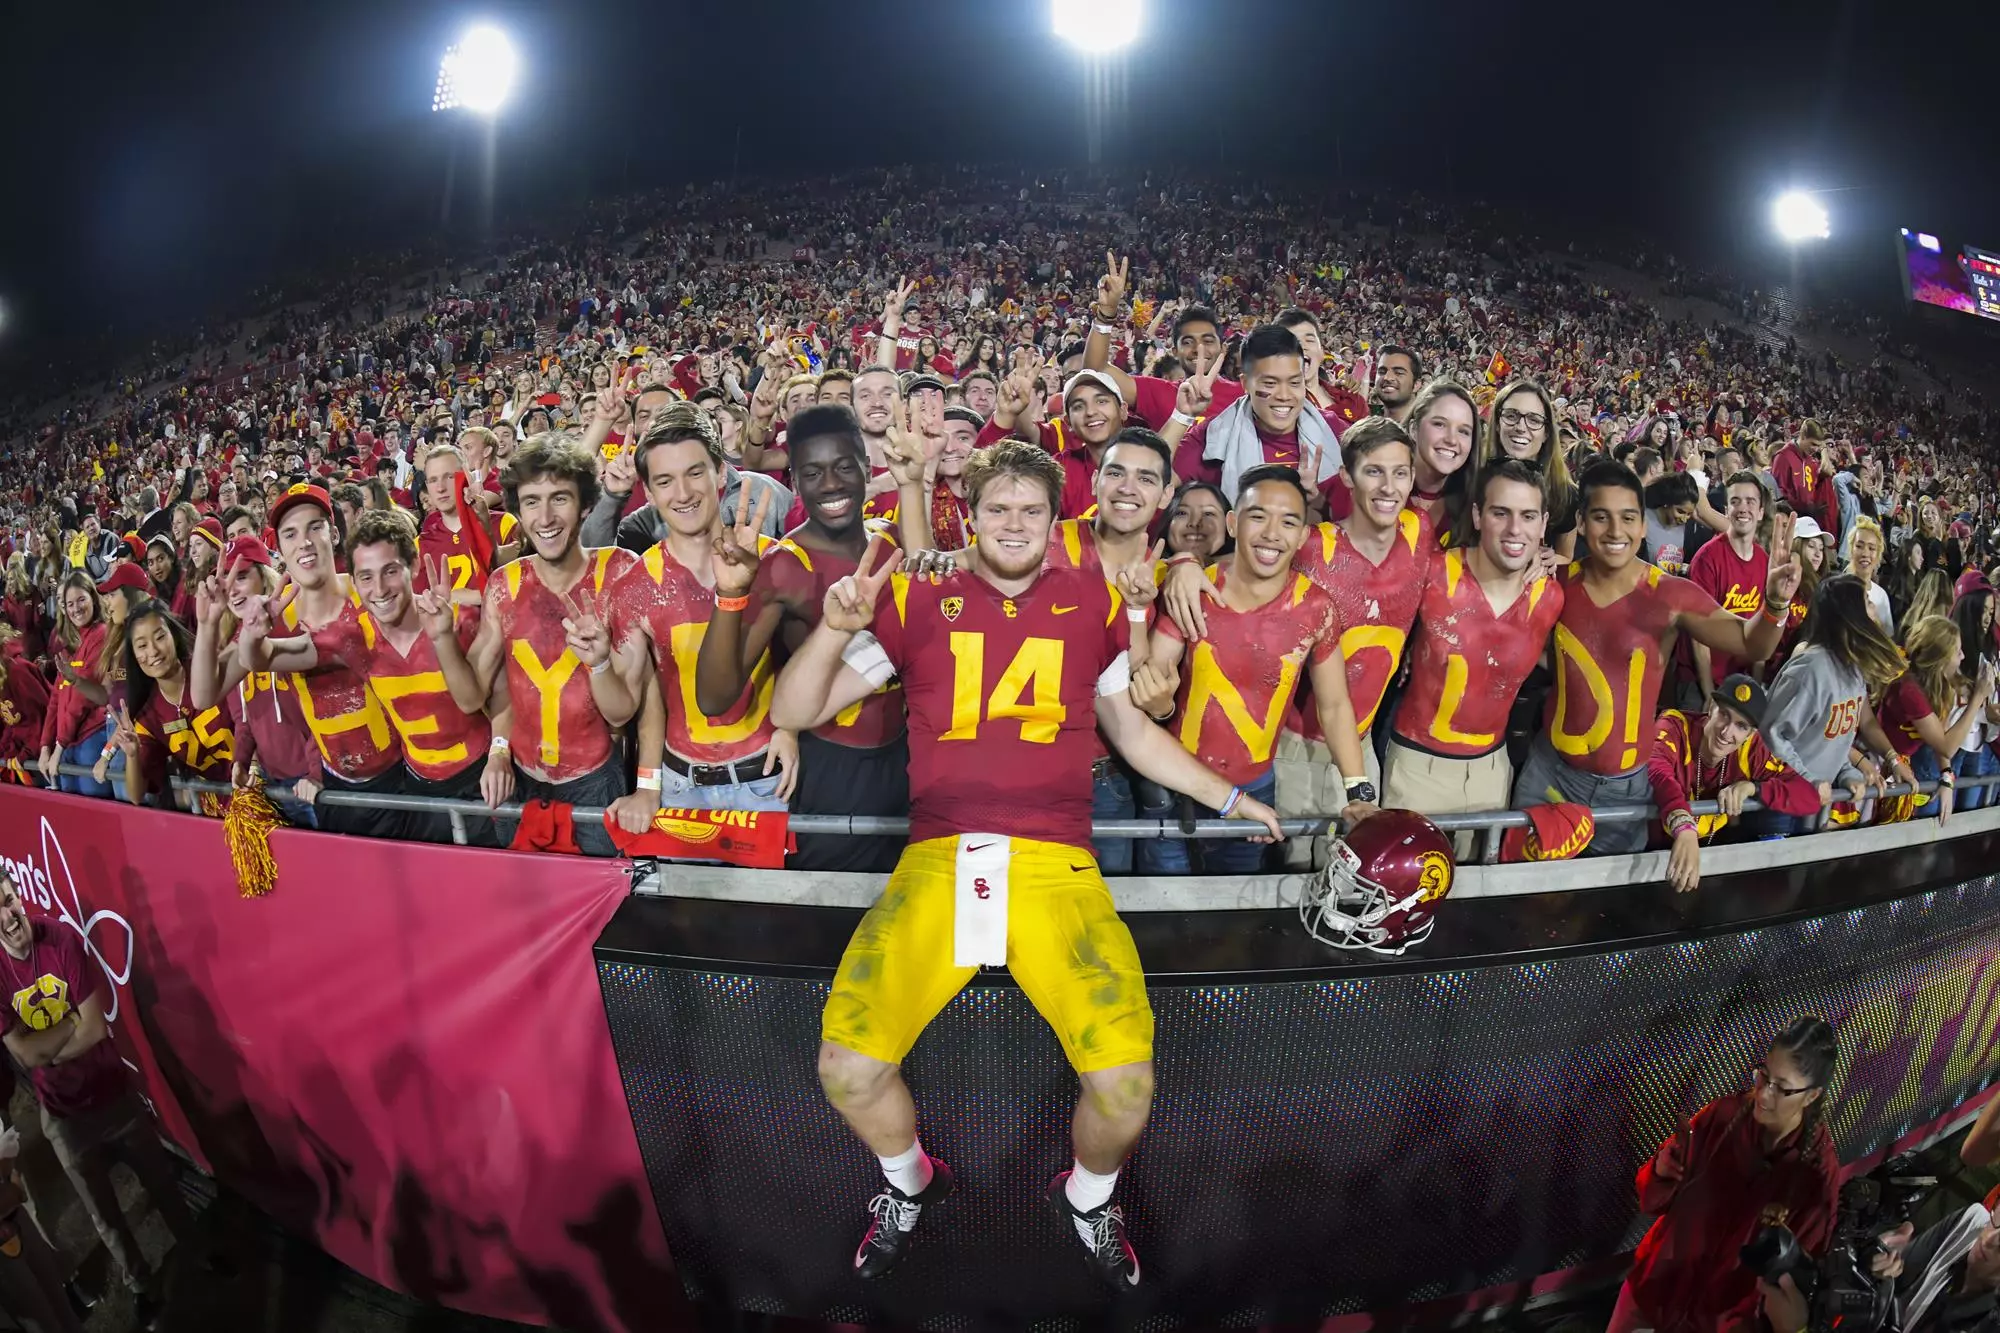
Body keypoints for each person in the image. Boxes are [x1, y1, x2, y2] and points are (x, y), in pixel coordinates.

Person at [770, 439, 1281, 1288]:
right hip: (942, 853)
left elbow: (1130, 731)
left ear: (1055, 522)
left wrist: (1230, 798)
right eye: (997, 507)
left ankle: (1087, 1197)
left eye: (1031, 510)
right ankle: (907, 1184)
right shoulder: (919, 595)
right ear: (970, 512)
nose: (1014, 524)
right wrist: (833, 625)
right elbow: (795, 705)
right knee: (847, 1069)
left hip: (1055, 861)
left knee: (1125, 1086)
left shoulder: (1090, 600)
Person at [1517, 460, 1800, 854]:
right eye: (1602, 517)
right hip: (1549, 777)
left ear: (1644, 524)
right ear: (1581, 522)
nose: (1616, 531)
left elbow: (1754, 645)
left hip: (1626, 791)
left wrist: (1774, 604)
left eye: (1628, 517)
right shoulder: (1554, 584)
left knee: (1608, 909)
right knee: (1523, 898)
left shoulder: (1670, 596)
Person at [697, 405, 914, 872]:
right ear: (794, 481)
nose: (831, 484)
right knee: (830, 915)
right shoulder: (785, 565)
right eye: (813, 473)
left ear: (866, 468)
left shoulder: (891, 540)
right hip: (830, 767)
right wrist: (731, 595)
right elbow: (715, 698)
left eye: (843, 467)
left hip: (908, 756)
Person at [1136, 464, 1377, 874]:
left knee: (1238, 914)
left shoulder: (1315, 608)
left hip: (1255, 790)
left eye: (1288, 521)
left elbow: (1335, 705)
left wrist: (1358, 789)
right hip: (1177, 785)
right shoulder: (1194, 590)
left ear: (1302, 535)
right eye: (1258, 516)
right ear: (1233, 522)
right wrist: (1158, 705)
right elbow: (1152, 679)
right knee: (1168, 917)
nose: (1271, 533)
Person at [0, 872, 198, 1329]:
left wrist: (50, 1044)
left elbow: (92, 1029)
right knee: (105, 1217)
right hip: (63, 1118)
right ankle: (142, 1287)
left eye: (11, 900)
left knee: (163, 1185)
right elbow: (26, 1055)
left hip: (113, 1096)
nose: (11, 917)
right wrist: (66, 1025)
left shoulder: (62, 938)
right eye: (0, 913)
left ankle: (199, 1250)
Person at [602, 406, 801, 841]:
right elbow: (645, 699)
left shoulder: (775, 561)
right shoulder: (634, 585)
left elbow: (797, 659)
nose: (683, 493)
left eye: (695, 474)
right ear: (649, 494)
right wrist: (649, 786)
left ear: (720, 475)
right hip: (680, 786)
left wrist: (791, 727)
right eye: (664, 481)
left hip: (768, 779)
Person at [464, 435, 641, 855]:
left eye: (559, 498)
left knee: (604, 905)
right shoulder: (503, 585)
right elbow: (476, 693)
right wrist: (499, 750)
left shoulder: (619, 573)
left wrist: (598, 665)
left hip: (597, 781)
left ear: (585, 505)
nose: (545, 517)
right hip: (519, 780)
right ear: (517, 511)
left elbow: (627, 708)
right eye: (531, 501)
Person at [1609, 1016, 1841, 1333]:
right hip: (1648, 1298)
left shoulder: (1816, 1177)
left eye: (1781, 1089)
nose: (1763, 1095)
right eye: (1763, 1076)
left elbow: (1797, 1282)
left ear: (1811, 1096)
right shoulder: (1722, 1115)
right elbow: (1651, 1200)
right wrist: (1661, 1172)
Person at [1384, 459, 1564, 856]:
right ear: (1479, 515)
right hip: (1416, 768)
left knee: (1473, 900)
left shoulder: (1550, 597)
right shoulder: (1432, 574)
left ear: (1543, 523)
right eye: (1501, 513)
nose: (1515, 529)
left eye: (1528, 516)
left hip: (1491, 772)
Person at [1754, 574, 1910, 835]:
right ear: (1851, 614)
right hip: (1781, 802)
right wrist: (1808, 779)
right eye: (1866, 602)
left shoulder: (1853, 669)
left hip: (1814, 800)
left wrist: (1847, 773)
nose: (1873, 608)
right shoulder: (1811, 668)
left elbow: (1832, 741)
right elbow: (1770, 736)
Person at [1650, 675, 1807, 892]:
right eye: (1724, 714)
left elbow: (1804, 792)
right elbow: (1657, 771)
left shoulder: (1751, 748)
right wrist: (1684, 827)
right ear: (1710, 707)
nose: (1727, 732)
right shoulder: (1674, 724)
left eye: (1741, 726)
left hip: (1710, 855)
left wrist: (1752, 787)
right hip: (1652, 853)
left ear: (1750, 733)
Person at [1164, 325, 1342, 504]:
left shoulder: (1333, 430)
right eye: (1270, 383)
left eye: (1295, 382)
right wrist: (1182, 414)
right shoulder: (1214, 436)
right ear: (1245, 383)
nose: (1284, 396)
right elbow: (1155, 483)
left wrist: (1318, 502)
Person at [98, 601, 235, 809]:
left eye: (160, 637)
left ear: (174, 636)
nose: (153, 651)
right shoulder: (148, 716)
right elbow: (136, 795)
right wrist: (132, 754)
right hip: (219, 810)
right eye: (142, 645)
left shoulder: (211, 667)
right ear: (134, 656)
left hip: (267, 790)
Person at [1687, 473, 1772, 704]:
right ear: (1726, 509)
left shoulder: (1764, 561)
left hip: (1741, 681)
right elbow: (1699, 634)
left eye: (1750, 501)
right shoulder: (1707, 558)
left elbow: (1762, 631)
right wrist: (1708, 695)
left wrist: (1755, 686)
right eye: (1735, 501)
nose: (1742, 508)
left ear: (1761, 512)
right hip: (1702, 680)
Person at [36, 574, 114, 795]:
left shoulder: (101, 634)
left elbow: (83, 699)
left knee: (93, 817)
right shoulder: (70, 642)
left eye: (81, 600)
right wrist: (45, 747)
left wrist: (57, 748)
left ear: (93, 598)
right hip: (69, 742)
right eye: (69, 604)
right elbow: (56, 700)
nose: (76, 609)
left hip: (91, 739)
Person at [1848, 516, 1895, 638]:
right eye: (1859, 546)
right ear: (1850, 549)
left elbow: (1887, 639)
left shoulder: (1881, 596)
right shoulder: (1836, 590)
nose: (1865, 554)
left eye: (1871, 548)